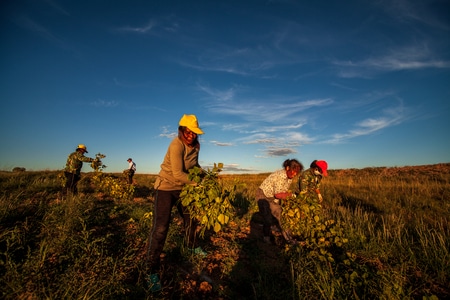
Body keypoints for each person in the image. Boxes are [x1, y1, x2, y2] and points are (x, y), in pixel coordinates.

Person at [146, 114, 206, 292]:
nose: (191, 135)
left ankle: (191, 246)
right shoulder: (176, 145)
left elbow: (194, 166)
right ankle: (151, 270)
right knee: (161, 228)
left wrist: (206, 175)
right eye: (188, 132)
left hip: (183, 189)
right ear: (181, 130)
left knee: (191, 217)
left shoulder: (196, 146)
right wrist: (198, 184)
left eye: (194, 132)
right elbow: (178, 174)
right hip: (166, 187)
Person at [256, 159, 303, 244]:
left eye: (297, 172)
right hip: (263, 195)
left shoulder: (289, 177)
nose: (295, 174)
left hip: (272, 196)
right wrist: (293, 196)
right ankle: (266, 238)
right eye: (293, 171)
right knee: (268, 218)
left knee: (279, 215)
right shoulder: (280, 175)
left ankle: (288, 238)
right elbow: (278, 194)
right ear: (287, 168)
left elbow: (283, 192)